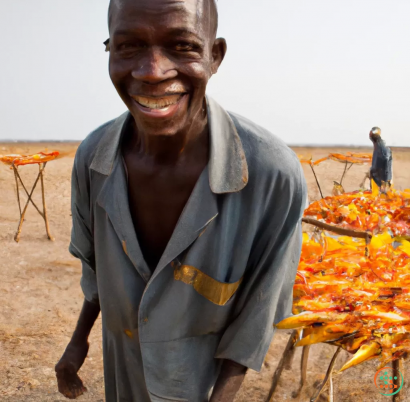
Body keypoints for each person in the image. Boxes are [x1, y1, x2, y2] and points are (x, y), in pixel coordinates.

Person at [55, 0, 307, 401]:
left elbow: (257, 316)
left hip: (198, 384)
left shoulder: (272, 175)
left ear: (215, 55)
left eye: (182, 46)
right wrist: (78, 343)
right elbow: (97, 271)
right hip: (123, 375)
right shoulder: (94, 159)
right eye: (129, 46)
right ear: (110, 50)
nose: (152, 71)